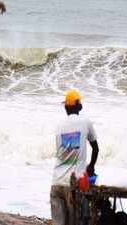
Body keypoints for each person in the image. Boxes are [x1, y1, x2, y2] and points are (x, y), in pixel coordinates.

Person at [50, 89, 99, 225]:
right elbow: (96, 148)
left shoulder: (59, 126)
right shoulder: (86, 122)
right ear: (79, 106)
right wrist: (91, 167)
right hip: (74, 185)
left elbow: (63, 153)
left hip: (56, 182)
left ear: (66, 107)